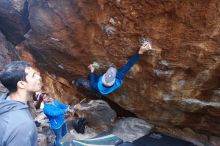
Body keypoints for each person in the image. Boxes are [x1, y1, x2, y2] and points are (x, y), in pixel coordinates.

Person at [79, 40, 153, 95]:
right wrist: (140, 52)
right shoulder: (118, 77)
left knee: (81, 80)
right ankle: (96, 94)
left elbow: (92, 82)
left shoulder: (95, 85)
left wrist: (92, 71)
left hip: (96, 88)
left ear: (103, 77)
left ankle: (76, 82)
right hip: (101, 90)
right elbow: (129, 64)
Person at [0, 61, 42, 146]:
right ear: (22, 84)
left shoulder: (4, 103)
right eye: (34, 75)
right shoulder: (23, 125)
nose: (39, 77)